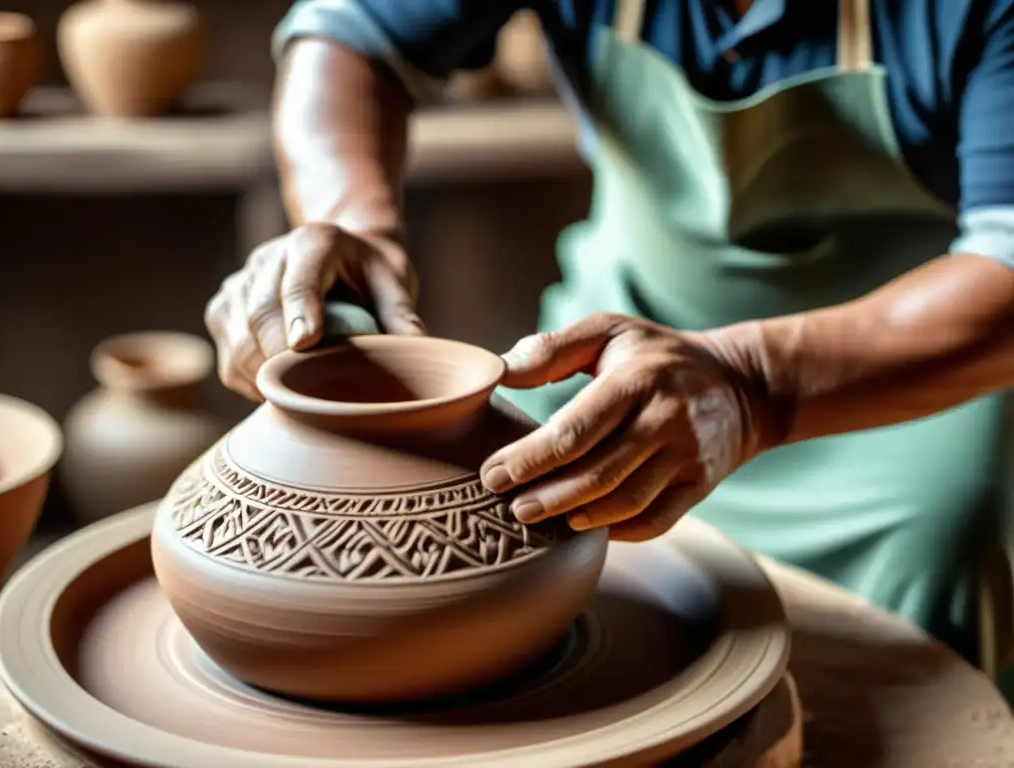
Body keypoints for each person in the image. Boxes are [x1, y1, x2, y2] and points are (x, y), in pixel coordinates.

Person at [204, 0, 1014, 664]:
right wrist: (354, 227)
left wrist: (752, 384)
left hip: (905, 359)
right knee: (517, 523)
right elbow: (348, 39)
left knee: (936, 550)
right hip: (616, 328)